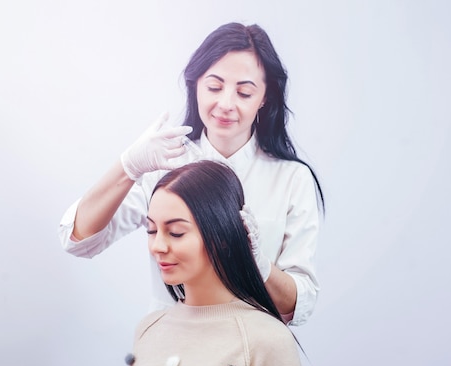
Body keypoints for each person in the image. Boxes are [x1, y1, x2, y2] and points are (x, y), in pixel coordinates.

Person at [58, 22, 324, 325]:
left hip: (249, 350)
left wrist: (259, 266)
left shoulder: (291, 179)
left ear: (265, 97)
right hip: (168, 348)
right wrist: (128, 166)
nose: (225, 103)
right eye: (214, 87)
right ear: (195, 83)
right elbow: (78, 239)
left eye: (244, 92)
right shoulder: (162, 162)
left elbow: (300, 304)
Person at [124, 160, 305, 366]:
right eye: (151, 231)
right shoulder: (147, 329)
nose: (157, 246)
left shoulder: (267, 341)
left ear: (222, 236)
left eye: (176, 232)